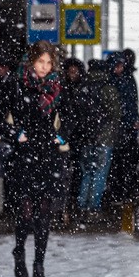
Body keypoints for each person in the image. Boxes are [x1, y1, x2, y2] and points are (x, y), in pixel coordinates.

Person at [5, 40, 68, 277]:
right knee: (26, 211)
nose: (44, 67)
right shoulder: (16, 83)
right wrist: (15, 135)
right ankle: (19, 250)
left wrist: (62, 135)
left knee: (44, 211)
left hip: (47, 154)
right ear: (32, 61)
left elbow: (70, 116)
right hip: (24, 154)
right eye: (40, 62)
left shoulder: (56, 87)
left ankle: (39, 266)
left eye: (48, 62)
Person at [77, 57, 122, 216]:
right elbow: (116, 114)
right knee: (100, 173)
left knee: (87, 172)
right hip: (104, 138)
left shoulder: (82, 88)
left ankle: (82, 205)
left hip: (86, 137)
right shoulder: (108, 89)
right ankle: (94, 207)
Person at [107, 51, 139, 204]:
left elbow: (131, 103)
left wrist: (134, 119)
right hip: (119, 128)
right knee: (120, 162)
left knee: (124, 161)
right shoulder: (117, 80)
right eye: (118, 65)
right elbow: (128, 103)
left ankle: (123, 191)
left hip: (124, 128)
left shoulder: (124, 79)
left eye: (122, 65)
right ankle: (120, 191)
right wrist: (132, 119)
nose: (120, 68)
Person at [57, 57, 89, 221]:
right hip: (66, 136)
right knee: (66, 171)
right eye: (69, 72)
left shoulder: (83, 89)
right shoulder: (63, 89)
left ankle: (73, 201)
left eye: (75, 71)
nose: (72, 75)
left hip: (78, 136)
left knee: (77, 170)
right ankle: (68, 204)